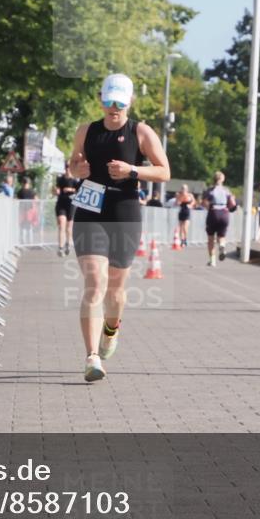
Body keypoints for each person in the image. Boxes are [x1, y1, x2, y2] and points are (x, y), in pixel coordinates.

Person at [69, 73, 170, 382]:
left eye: (119, 103)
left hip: (124, 210)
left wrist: (133, 170)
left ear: (129, 103)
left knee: (116, 289)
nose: (113, 108)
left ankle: (110, 331)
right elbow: (73, 164)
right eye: (108, 101)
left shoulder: (140, 132)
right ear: (101, 99)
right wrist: (77, 168)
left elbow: (164, 171)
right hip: (89, 208)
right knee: (95, 284)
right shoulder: (87, 130)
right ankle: (91, 357)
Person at [203, 171, 236, 266]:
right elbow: (233, 203)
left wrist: (209, 207)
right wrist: (229, 208)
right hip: (224, 212)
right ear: (223, 179)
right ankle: (222, 245)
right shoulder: (227, 190)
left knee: (210, 238)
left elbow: (204, 203)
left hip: (213, 212)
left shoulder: (210, 190)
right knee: (222, 236)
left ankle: (212, 260)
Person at [54, 166, 80, 257]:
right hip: (61, 203)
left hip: (71, 205)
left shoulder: (75, 181)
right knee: (61, 225)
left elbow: (79, 192)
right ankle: (60, 247)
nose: (68, 169)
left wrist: (71, 190)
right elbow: (55, 189)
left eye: (70, 167)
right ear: (65, 169)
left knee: (69, 228)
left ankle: (68, 244)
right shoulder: (60, 179)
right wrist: (55, 191)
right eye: (67, 167)